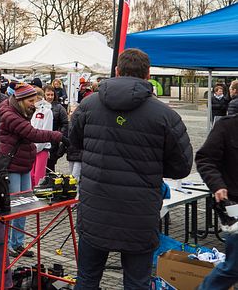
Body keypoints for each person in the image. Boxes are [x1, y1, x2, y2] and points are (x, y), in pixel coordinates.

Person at [69, 48, 193, 290]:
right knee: (137, 282)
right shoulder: (165, 115)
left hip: (96, 209)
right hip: (139, 213)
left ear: (117, 71)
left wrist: (99, 157)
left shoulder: (88, 105)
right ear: (148, 75)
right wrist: (152, 165)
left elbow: (73, 144)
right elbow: (182, 166)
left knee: (87, 278)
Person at [0, 83, 65, 258]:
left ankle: (18, 243)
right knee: (13, 208)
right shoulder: (10, 114)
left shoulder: (17, 109)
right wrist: (58, 136)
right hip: (11, 166)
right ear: (20, 100)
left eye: (35, 100)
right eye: (30, 100)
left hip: (23, 164)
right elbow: (33, 133)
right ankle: (8, 245)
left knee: (25, 205)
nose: (34, 104)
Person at [196, 113, 238, 289]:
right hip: (236, 208)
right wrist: (217, 185)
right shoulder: (227, 126)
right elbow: (205, 159)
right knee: (233, 268)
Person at [30, 86, 55, 187]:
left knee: (39, 177)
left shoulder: (47, 111)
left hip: (42, 148)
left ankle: (38, 198)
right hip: (31, 147)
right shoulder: (31, 110)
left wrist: (37, 148)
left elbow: (46, 132)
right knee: (30, 175)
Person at [43, 86, 69, 173]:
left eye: (52, 95)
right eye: (48, 95)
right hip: (41, 138)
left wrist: (59, 135)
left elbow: (65, 123)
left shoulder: (59, 107)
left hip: (53, 140)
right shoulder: (40, 106)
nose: (50, 97)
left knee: (50, 165)